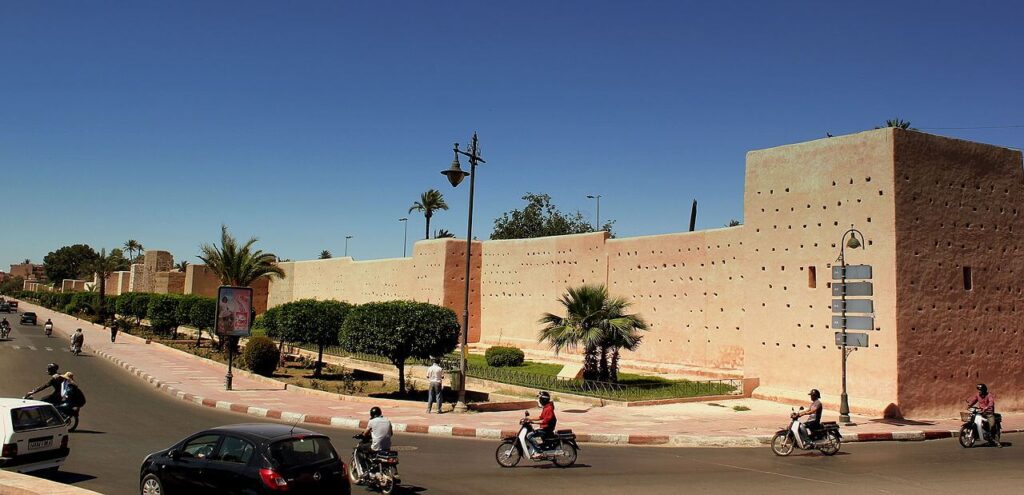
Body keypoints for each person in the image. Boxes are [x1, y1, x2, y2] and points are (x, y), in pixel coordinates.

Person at [355, 406, 394, 477]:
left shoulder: (372, 421)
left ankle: (364, 470)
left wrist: (361, 435)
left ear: (371, 415)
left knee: (360, 449)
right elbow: (391, 434)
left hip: (376, 447)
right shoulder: (388, 421)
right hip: (387, 447)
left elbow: (365, 434)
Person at [526, 391, 557, 456]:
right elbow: (541, 417)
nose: (539, 400)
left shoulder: (549, 408)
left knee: (529, 436)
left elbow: (545, 421)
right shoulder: (546, 407)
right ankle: (540, 446)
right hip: (545, 427)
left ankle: (538, 451)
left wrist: (533, 422)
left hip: (547, 429)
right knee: (533, 432)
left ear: (543, 400)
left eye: (540, 399)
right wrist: (530, 419)